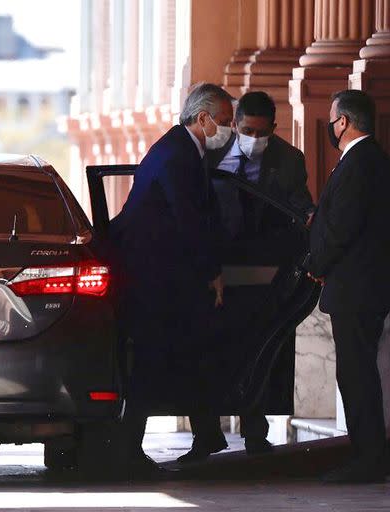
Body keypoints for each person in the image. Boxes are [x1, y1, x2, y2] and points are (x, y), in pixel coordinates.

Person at [177, 91, 314, 464]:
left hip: (261, 272)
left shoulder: (288, 160)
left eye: (261, 131)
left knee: (254, 350)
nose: (253, 137)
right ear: (234, 125)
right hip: (214, 271)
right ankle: (205, 436)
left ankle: (255, 435)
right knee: (206, 352)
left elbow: (297, 206)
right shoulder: (210, 151)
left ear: (273, 128)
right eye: (246, 129)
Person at [110, 82, 234, 478]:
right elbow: (189, 222)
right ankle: (130, 449)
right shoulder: (178, 154)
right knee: (153, 359)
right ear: (203, 118)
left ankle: (206, 433)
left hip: (166, 277)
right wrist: (211, 272)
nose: (228, 131)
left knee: (191, 352)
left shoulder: (184, 149)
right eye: (226, 122)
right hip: (154, 279)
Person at [307, 90, 390, 483]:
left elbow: (342, 227)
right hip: (362, 286)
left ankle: (368, 458)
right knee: (356, 372)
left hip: (357, 288)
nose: (331, 126)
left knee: (357, 374)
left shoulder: (361, 163)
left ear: (343, 121)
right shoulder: (368, 160)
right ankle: (366, 454)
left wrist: (315, 263)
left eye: (333, 119)